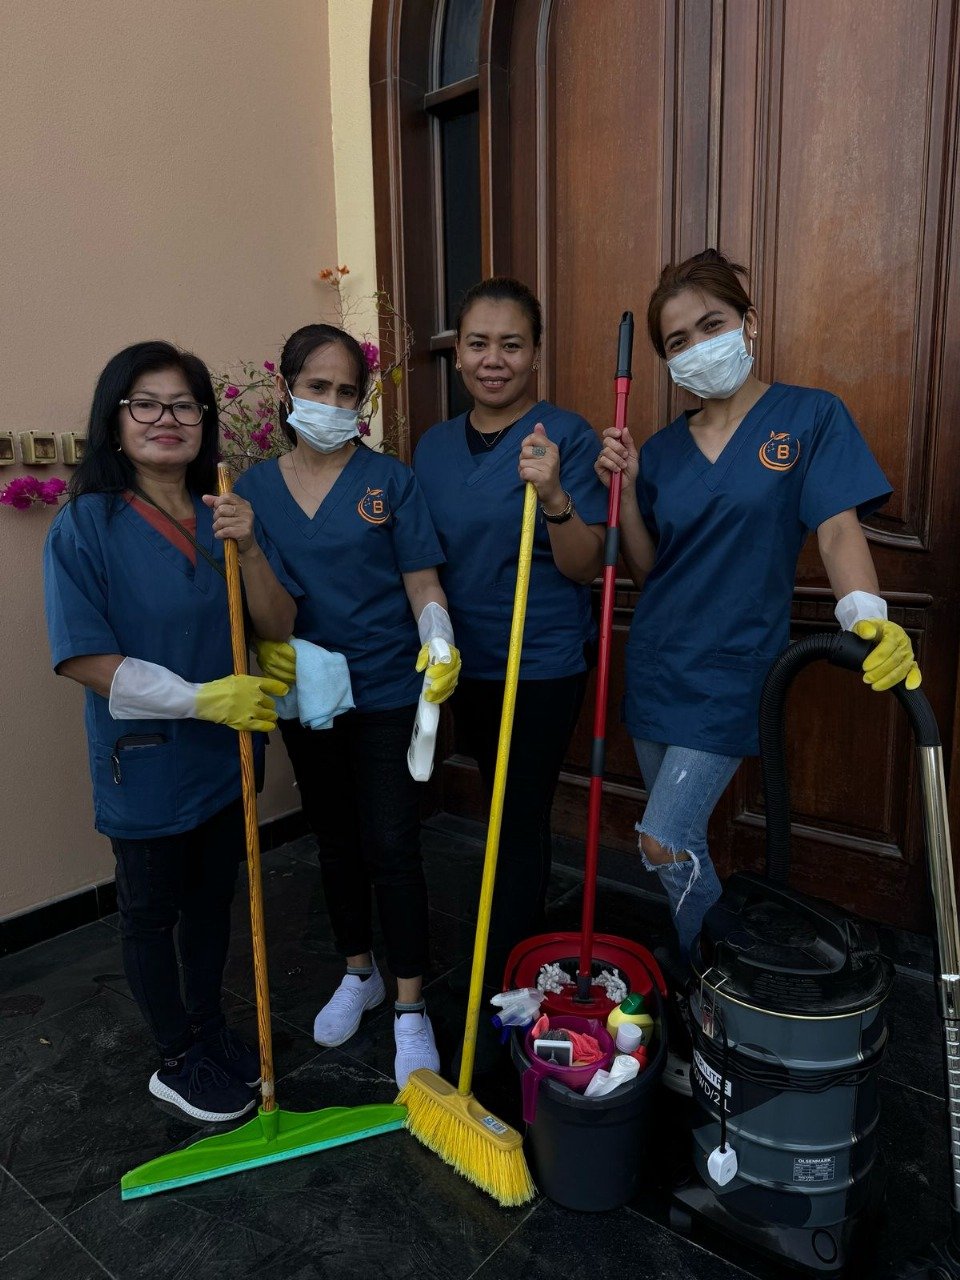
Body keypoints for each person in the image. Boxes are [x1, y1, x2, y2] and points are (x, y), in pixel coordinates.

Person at [595, 249, 921, 1085]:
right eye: (677, 340)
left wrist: (867, 618)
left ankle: (722, 997)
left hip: (735, 667)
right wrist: (627, 491)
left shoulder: (809, 417)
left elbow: (839, 531)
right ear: (664, 360)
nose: (697, 346)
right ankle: (720, 1003)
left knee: (664, 842)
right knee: (683, 843)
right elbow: (645, 570)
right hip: (659, 663)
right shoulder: (663, 451)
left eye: (711, 324)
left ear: (749, 322)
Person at [43, 341, 297, 1122]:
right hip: (147, 766)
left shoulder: (225, 512)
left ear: (204, 422)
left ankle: (210, 1027)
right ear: (114, 421)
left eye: (184, 405)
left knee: (212, 904)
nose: (167, 419)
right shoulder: (86, 524)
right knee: (151, 914)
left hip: (225, 761)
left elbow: (277, 621)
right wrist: (198, 700)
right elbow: (83, 657)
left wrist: (250, 545)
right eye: (145, 404)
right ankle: (175, 1056)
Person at [234, 323, 459, 1089]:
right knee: (335, 840)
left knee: (392, 843)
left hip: (388, 690)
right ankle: (358, 971)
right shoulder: (254, 491)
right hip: (308, 696)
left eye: (345, 391)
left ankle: (407, 1006)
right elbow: (260, 603)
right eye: (317, 387)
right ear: (287, 389)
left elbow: (422, 582)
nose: (332, 403)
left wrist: (438, 637)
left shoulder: (388, 481)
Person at [413, 278, 610, 1026]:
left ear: (535, 354)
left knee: (517, 815)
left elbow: (585, 564)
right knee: (486, 810)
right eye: (478, 343)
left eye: (512, 344)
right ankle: (494, 956)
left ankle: (516, 976)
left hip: (540, 661)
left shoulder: (568, 435)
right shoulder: (432, 447)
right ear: (456, 353)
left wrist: (557, 496)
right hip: (459, 660)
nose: (493, 359)